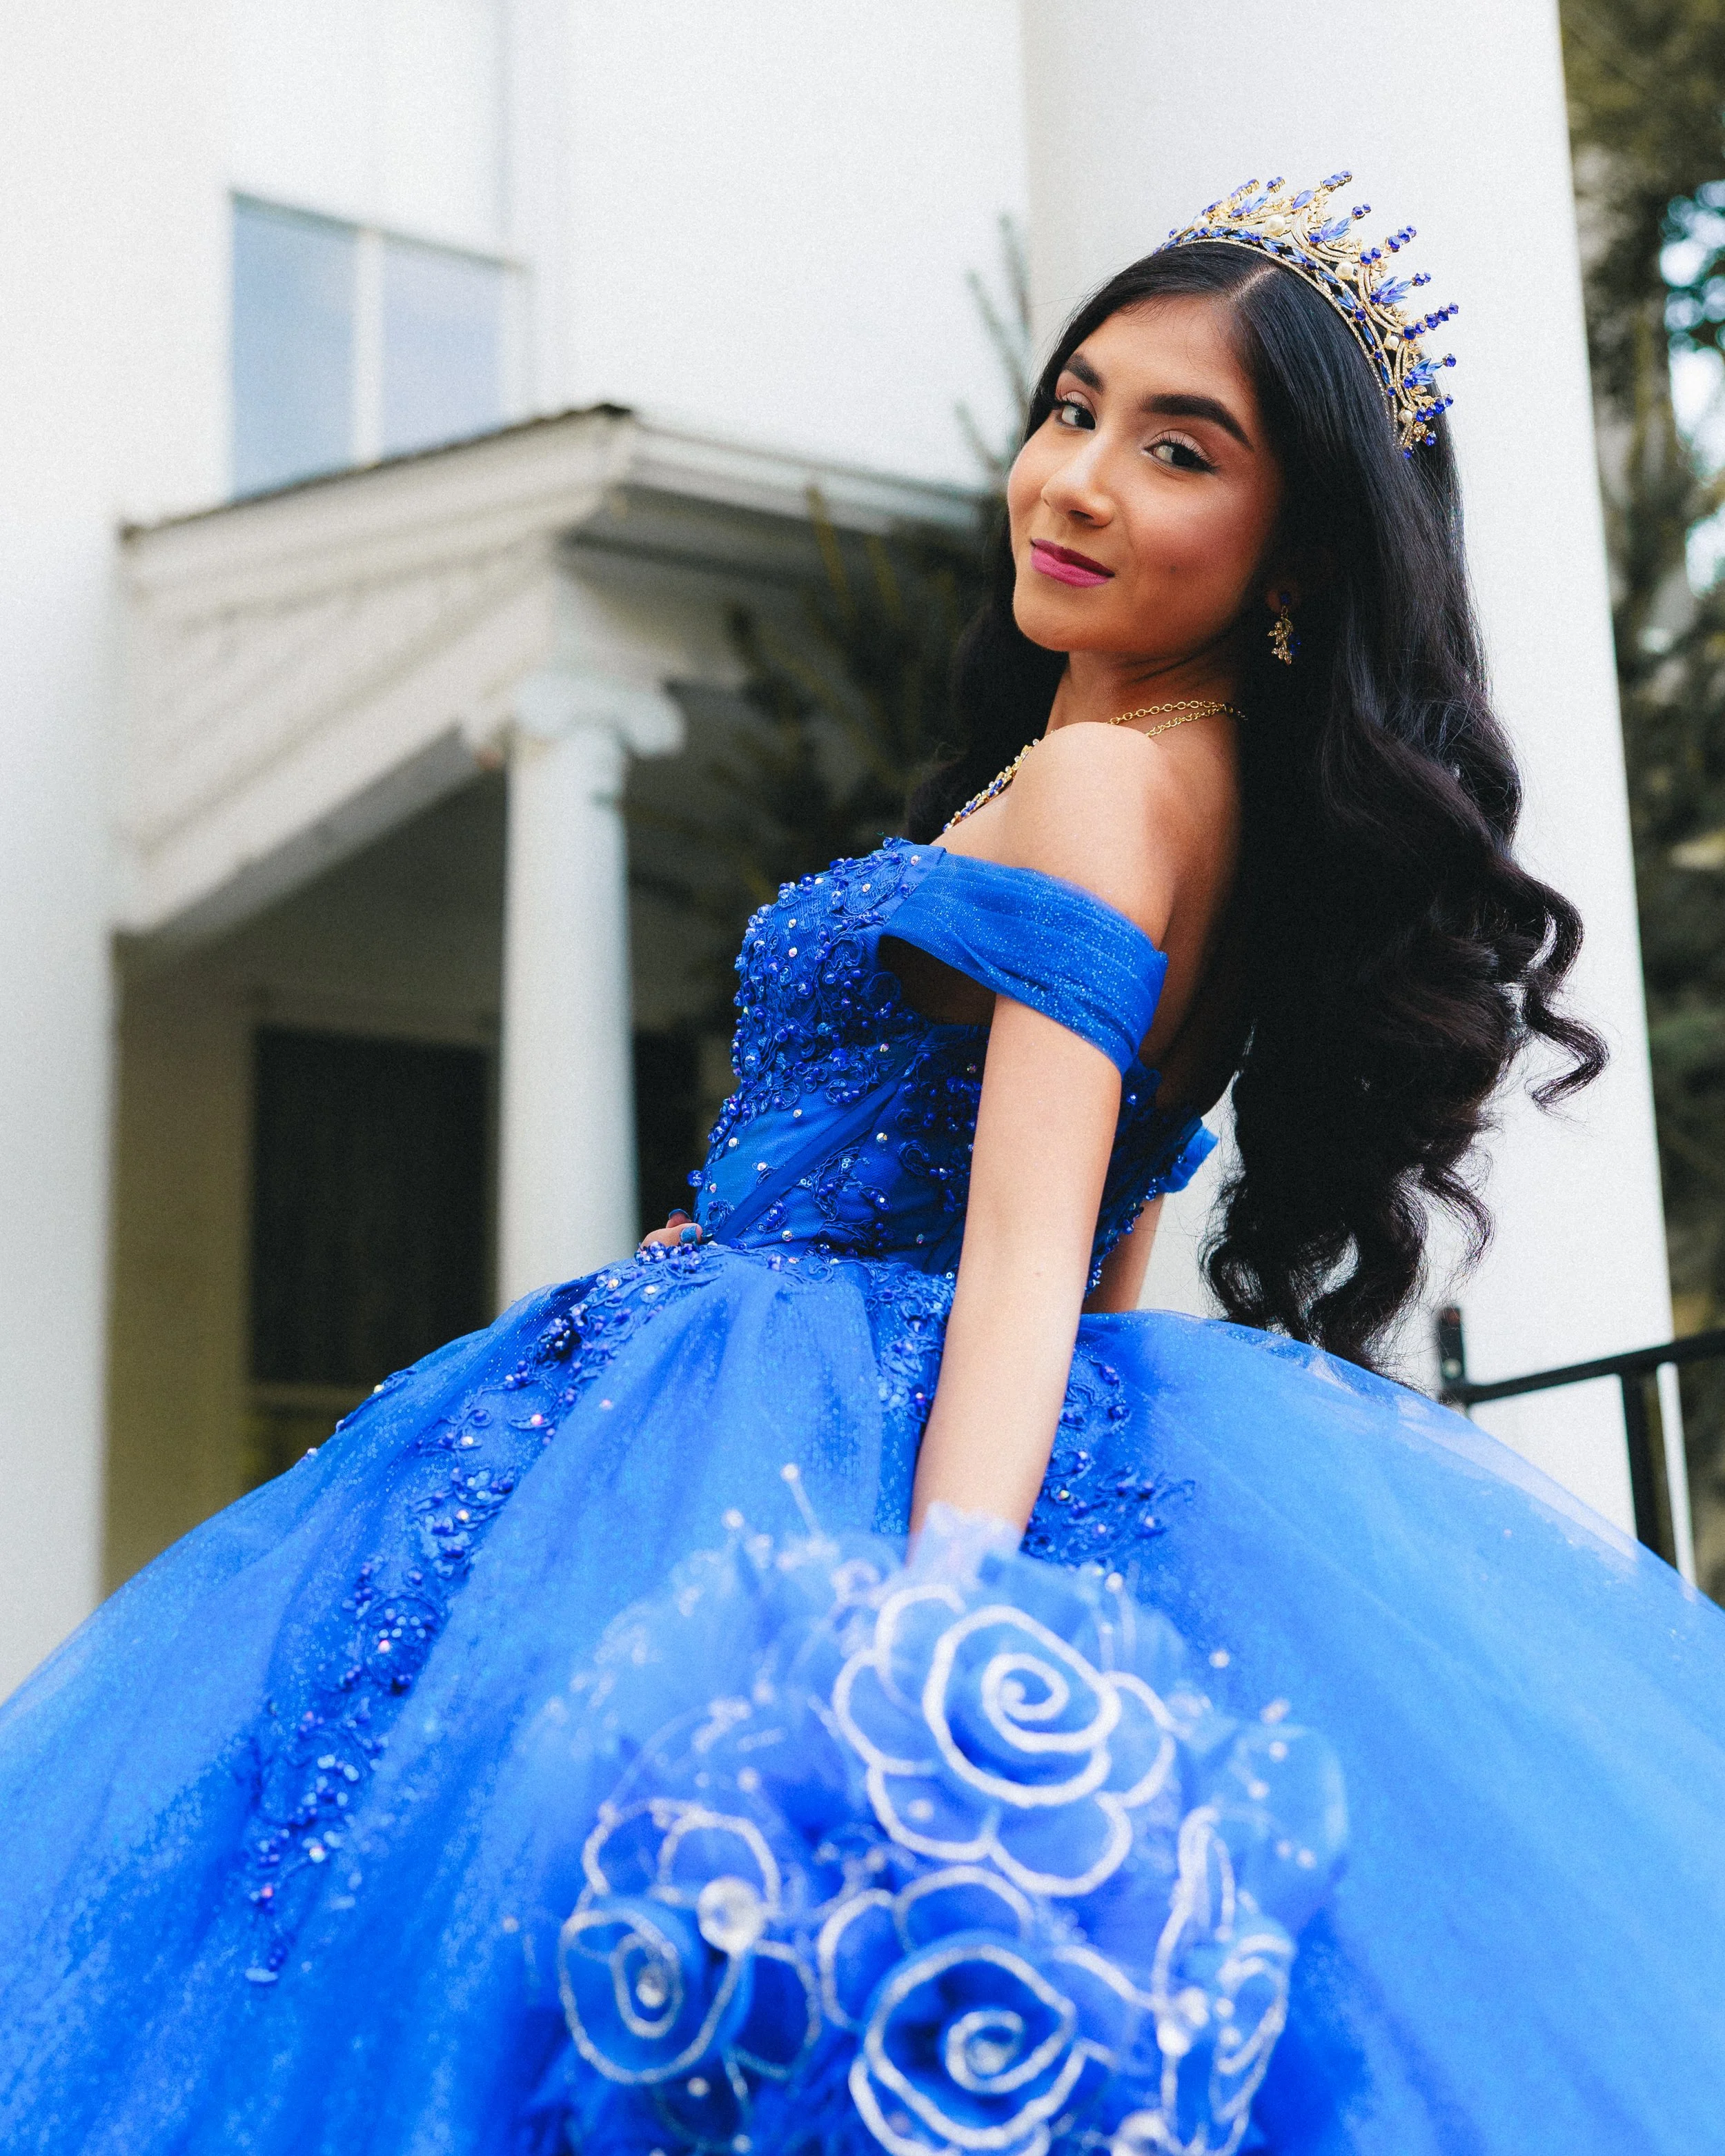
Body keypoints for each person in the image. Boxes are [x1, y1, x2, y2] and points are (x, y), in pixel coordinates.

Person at [2, 174, 1722, 2156]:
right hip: (815, 1385)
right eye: (1070, 408)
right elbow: (1108, 1233)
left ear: (1294, 557)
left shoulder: (1097, 784)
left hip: (793, 1435)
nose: (1072, 481)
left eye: (1178, 449)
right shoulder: (1210, 797)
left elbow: (1022, 1256)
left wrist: (931, 1658)